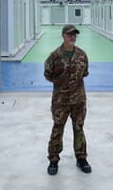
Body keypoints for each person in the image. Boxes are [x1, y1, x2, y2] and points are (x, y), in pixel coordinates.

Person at [44, 24, 92, 175]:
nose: (73, 37)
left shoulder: (82, 55)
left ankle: (81, 158)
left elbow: (84, 73)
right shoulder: (54, 56)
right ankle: (53, 160)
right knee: (58, 128)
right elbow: (47, 74)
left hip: (79, 99)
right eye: (69, 34)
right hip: (61, 100)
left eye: (74, 34)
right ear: (63, 35)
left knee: (79, 128)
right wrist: (62, 84)